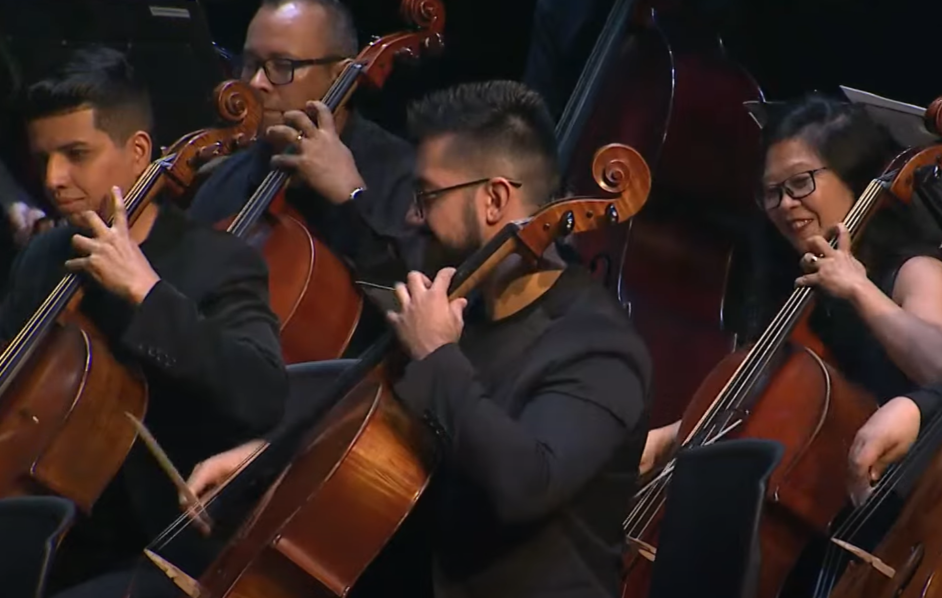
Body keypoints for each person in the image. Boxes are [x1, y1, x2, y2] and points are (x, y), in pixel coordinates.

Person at [184, 80, 652, 598]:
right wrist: (273, 453)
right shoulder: (465, 307)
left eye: (426, 195)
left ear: (494, 198)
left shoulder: (598, 346)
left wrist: (437, 355)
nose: (412, 215)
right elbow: (373, 400)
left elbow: (526, 484)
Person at [0, 46, 288, 596]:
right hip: (47, 534)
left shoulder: (218, 262)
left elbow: (263, 393)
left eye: (75, 154)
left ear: (137, 153)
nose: (54, 179)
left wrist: (147, 292)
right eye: (43, 160)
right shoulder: (43, 257)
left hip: (156, 548)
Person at [640, 95, 942, 505]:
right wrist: (671, 437)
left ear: (853, 178)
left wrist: (857, 287)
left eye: (800, 183)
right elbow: (762, 399)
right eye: (772, 192)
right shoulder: (798, 282)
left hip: (885, 499)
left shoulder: (915, 271)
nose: (785, 205)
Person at [188, 0, 422, 288]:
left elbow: (411, 295)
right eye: (250, 64)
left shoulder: (403, 175)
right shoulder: (226, 179)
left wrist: (350, 198)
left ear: (339, 75)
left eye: (282, 65)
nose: (257, 82)